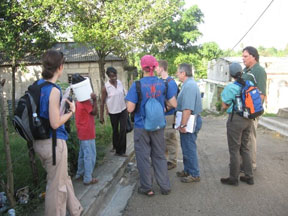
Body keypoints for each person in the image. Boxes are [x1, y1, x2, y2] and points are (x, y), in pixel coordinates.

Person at [33, 50, 83, 216]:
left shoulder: (38, 85)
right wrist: (71, 112)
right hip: (54, 143)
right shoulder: (53, 90)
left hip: (39, 142)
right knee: (57, 188)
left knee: (62, 178)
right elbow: (55, 123)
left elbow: (45, 113)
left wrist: (61, 104)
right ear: (60, 67)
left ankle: (75, 209)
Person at [125, 55, 177, 196]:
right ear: (155, 67)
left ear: (142, 68)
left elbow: (130, 108)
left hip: (142, 126)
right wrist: (163, 108)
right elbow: (174, 104)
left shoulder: (137, 85)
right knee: (159, 155)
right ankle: (165, 186)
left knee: (143, 156)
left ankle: (147, 187)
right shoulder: (163, 84)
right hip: (158, 126)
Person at [220, 62, 254, 186]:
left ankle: (233, 179)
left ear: (231, 74)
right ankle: (249, 177)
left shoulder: (230, 87)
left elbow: (224, 105)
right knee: (245, 147)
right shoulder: (249, 83)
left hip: (236, 120)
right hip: (248, 119)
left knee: (234, 149)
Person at [175, 63, 202, 183]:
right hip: (188, 120)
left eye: (178, 72)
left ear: (183, 73)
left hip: (189, 121)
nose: (177, 74)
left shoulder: (190, 86)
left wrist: (183, 125)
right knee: (186, 147)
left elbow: (188, 108)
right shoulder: (188, 84)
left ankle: (194, 173)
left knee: (189, 148)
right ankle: (188, 170)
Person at [242, 46, 267, 170]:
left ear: (254, 57)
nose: (243, 59)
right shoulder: (246, 70)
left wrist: (254, 112)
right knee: (243, 138)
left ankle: (251, 164)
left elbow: (261, 94)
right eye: (243, 56)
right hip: (243, 111)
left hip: (252, 111)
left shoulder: (259, 71)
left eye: (245, 56)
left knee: (250, 138)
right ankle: (244, 162)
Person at [155, 60, 179, 170]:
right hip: (161, 115)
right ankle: (165, 159)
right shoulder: (160, 81)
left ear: (161, 68)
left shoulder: (171, 82)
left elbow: (173, 101)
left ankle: (172, 160)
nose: (155, 69)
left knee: (170, 138)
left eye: (157, 67)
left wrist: (165, 108)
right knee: (162, 138)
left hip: (169, 115)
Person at [100, 67, 128, 156]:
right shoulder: (106, 87)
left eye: (115, 75)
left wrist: (128, 106)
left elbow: (124, 94)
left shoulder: (120, 83)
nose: (114, 77)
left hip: (123, 110)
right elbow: (102, 102)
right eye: (111, 76)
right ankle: (116, 148)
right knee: (115, 130)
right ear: (108, 76)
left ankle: (122, 151)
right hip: (113, 112)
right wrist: (101, 116)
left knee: (123, 129)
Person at [74, 92, 98, 185]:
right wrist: (95, 100)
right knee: (90, 155)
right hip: (88, 132)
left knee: (82, 154)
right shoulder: (85, 102)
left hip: (81, 131)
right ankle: (88, 178)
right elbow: (94, 112)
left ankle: (80, 173)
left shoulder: (78, 101)